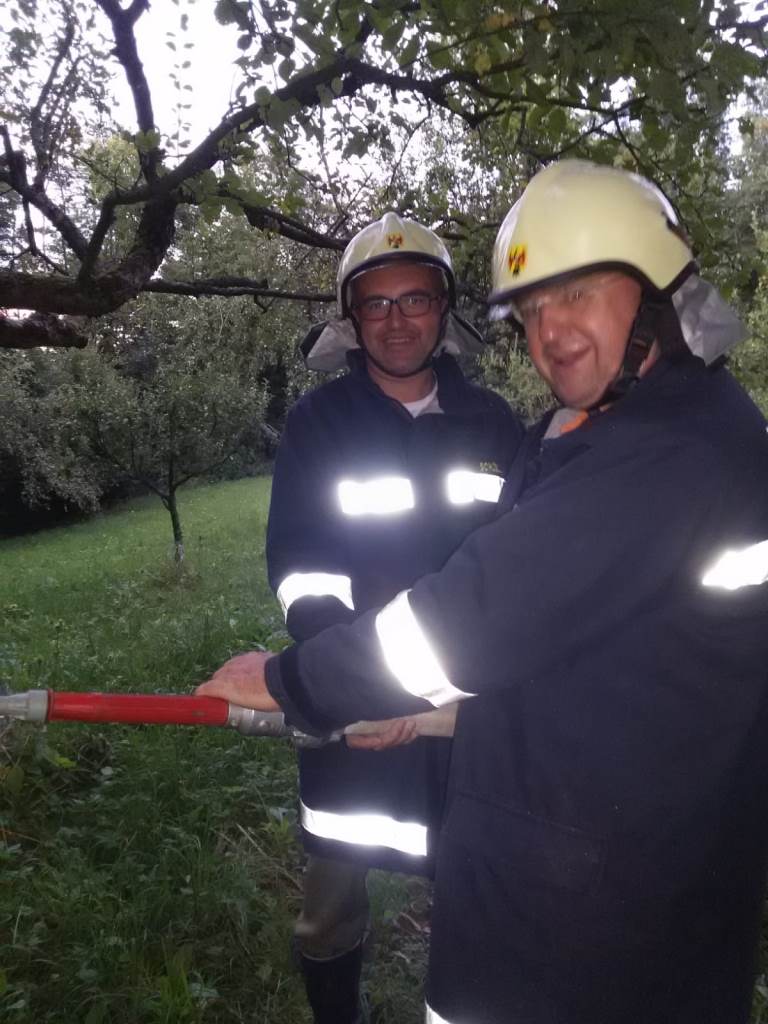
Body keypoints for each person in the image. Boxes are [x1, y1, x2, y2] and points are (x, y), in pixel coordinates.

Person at [198, 162, 768, 1024]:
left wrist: (298, 682)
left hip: (585, 859)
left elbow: (495, 604)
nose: (551, 331)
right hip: (434, 719)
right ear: (351, 319)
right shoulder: (581, 431)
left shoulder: (649, 449)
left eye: (576, 293)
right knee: (334, 904)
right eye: (532, 310)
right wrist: (341, 670)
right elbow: (546, 625)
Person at [262, 211, 523, 1023]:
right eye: (377, 303)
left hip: (462, 713)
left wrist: (450, 685)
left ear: (444, 308)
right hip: (354, 712)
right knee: (330, 904)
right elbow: (303, 566)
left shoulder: (495, 424)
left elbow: (514, 572)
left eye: (415, 299)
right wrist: (354, 683)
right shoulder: (318, 425)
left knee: (480, 887)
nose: (397, 320)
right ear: (351, 317)